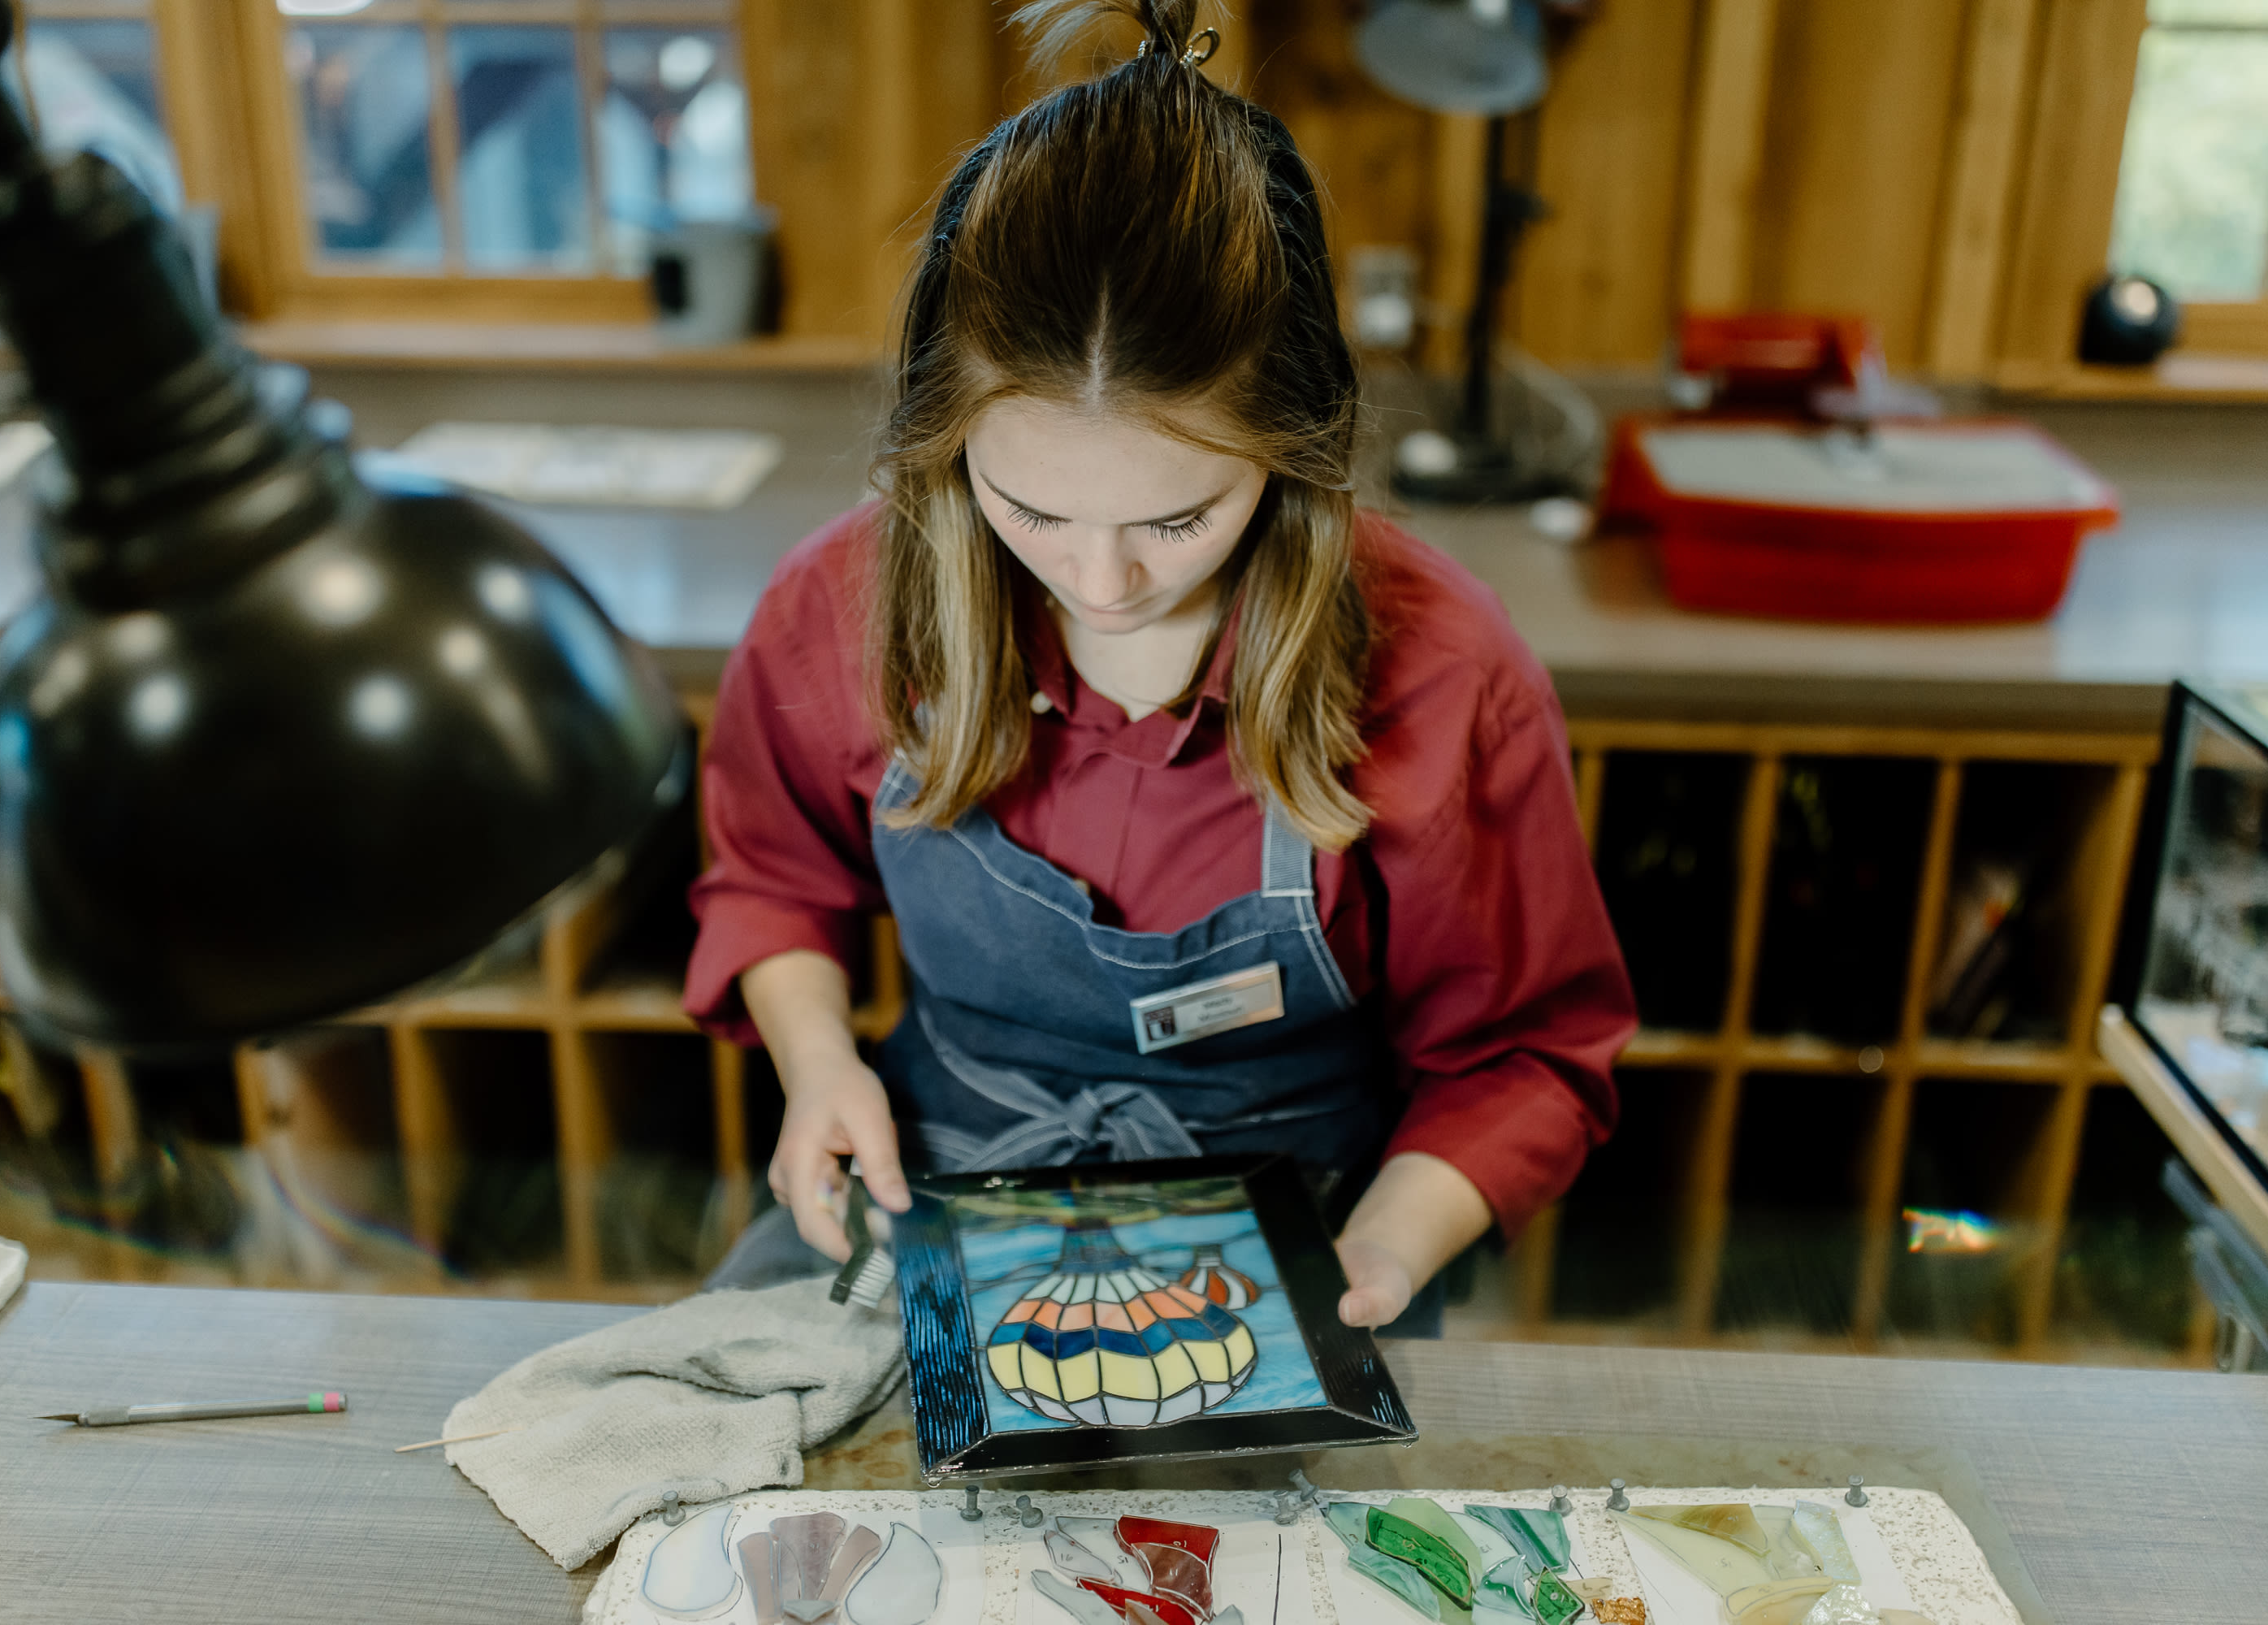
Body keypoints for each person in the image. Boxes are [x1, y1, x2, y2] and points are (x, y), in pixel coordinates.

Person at [686, 0, 1634, 1331]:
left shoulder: (1444, 669)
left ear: (1295, 446)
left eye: (1178, 520)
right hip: (940, 1178)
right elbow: (776, 882)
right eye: (1031, 511)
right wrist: (819, 1060)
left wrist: (1384, 1255)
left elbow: (1527, 1056)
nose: (1098, 581)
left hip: (1303, 1226)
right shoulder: (844, 604)